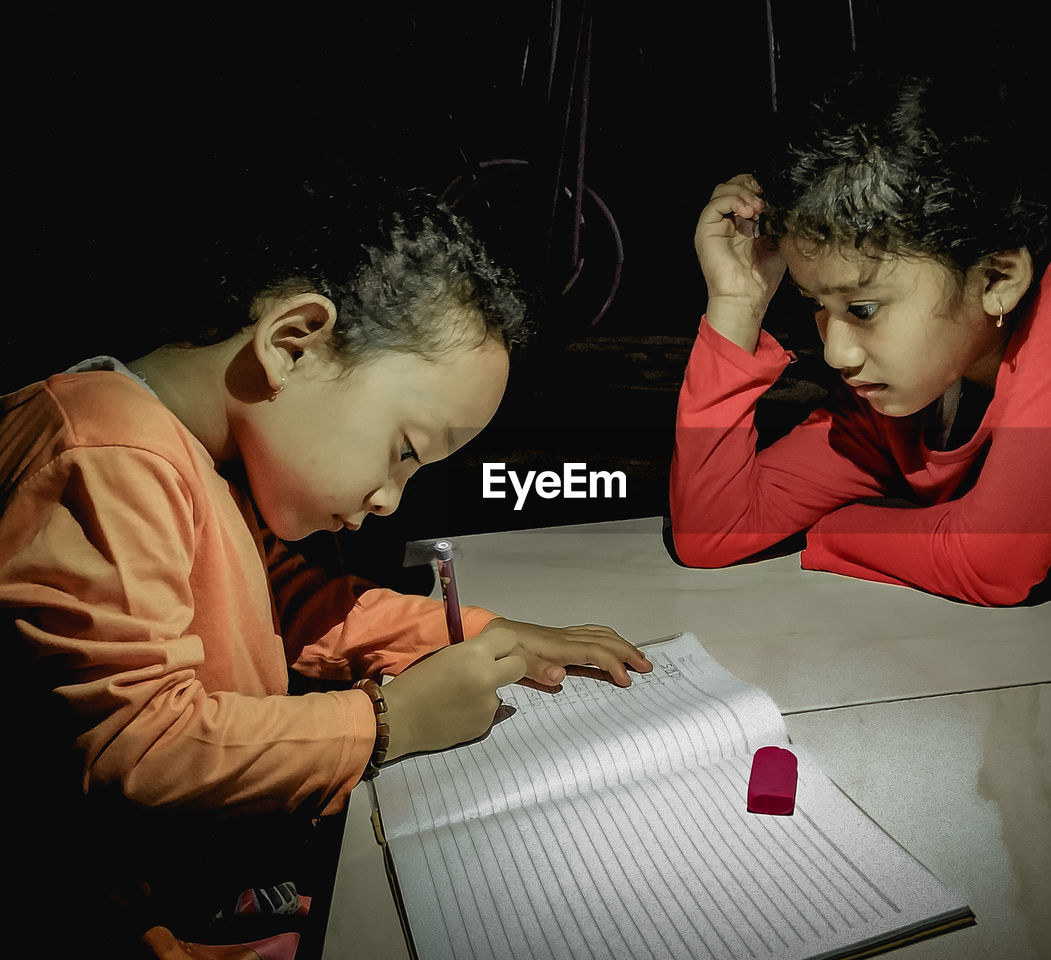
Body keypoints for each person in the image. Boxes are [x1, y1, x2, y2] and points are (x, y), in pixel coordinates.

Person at [0, 184, 651, 955]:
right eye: (404, 451)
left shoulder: (198, 461)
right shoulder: (108, 458)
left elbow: (294, 605)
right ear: (295, 343)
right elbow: (136, 746)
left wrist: (487, 631)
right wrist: (385, 721)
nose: (390, 500)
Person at [671, 64, 1051, 681]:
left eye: (862, 308)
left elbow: (995, 559)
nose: (836, 354)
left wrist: (831, 532)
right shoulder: (898, 397)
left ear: (996, 279)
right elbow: (714, 531)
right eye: (816, 307)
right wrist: (737, 304)